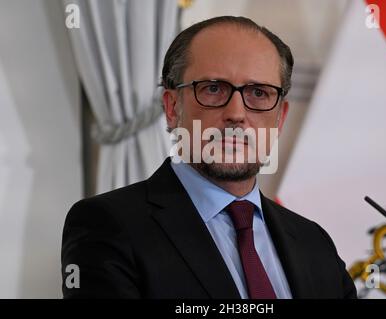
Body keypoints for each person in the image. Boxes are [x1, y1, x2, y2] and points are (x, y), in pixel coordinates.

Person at [61, 16, 356, 299]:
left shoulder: (313, 241)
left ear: (280, 118)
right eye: (213, 89)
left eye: (258, 93)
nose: (237, 114)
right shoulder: (107, 225)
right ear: (173, 106)